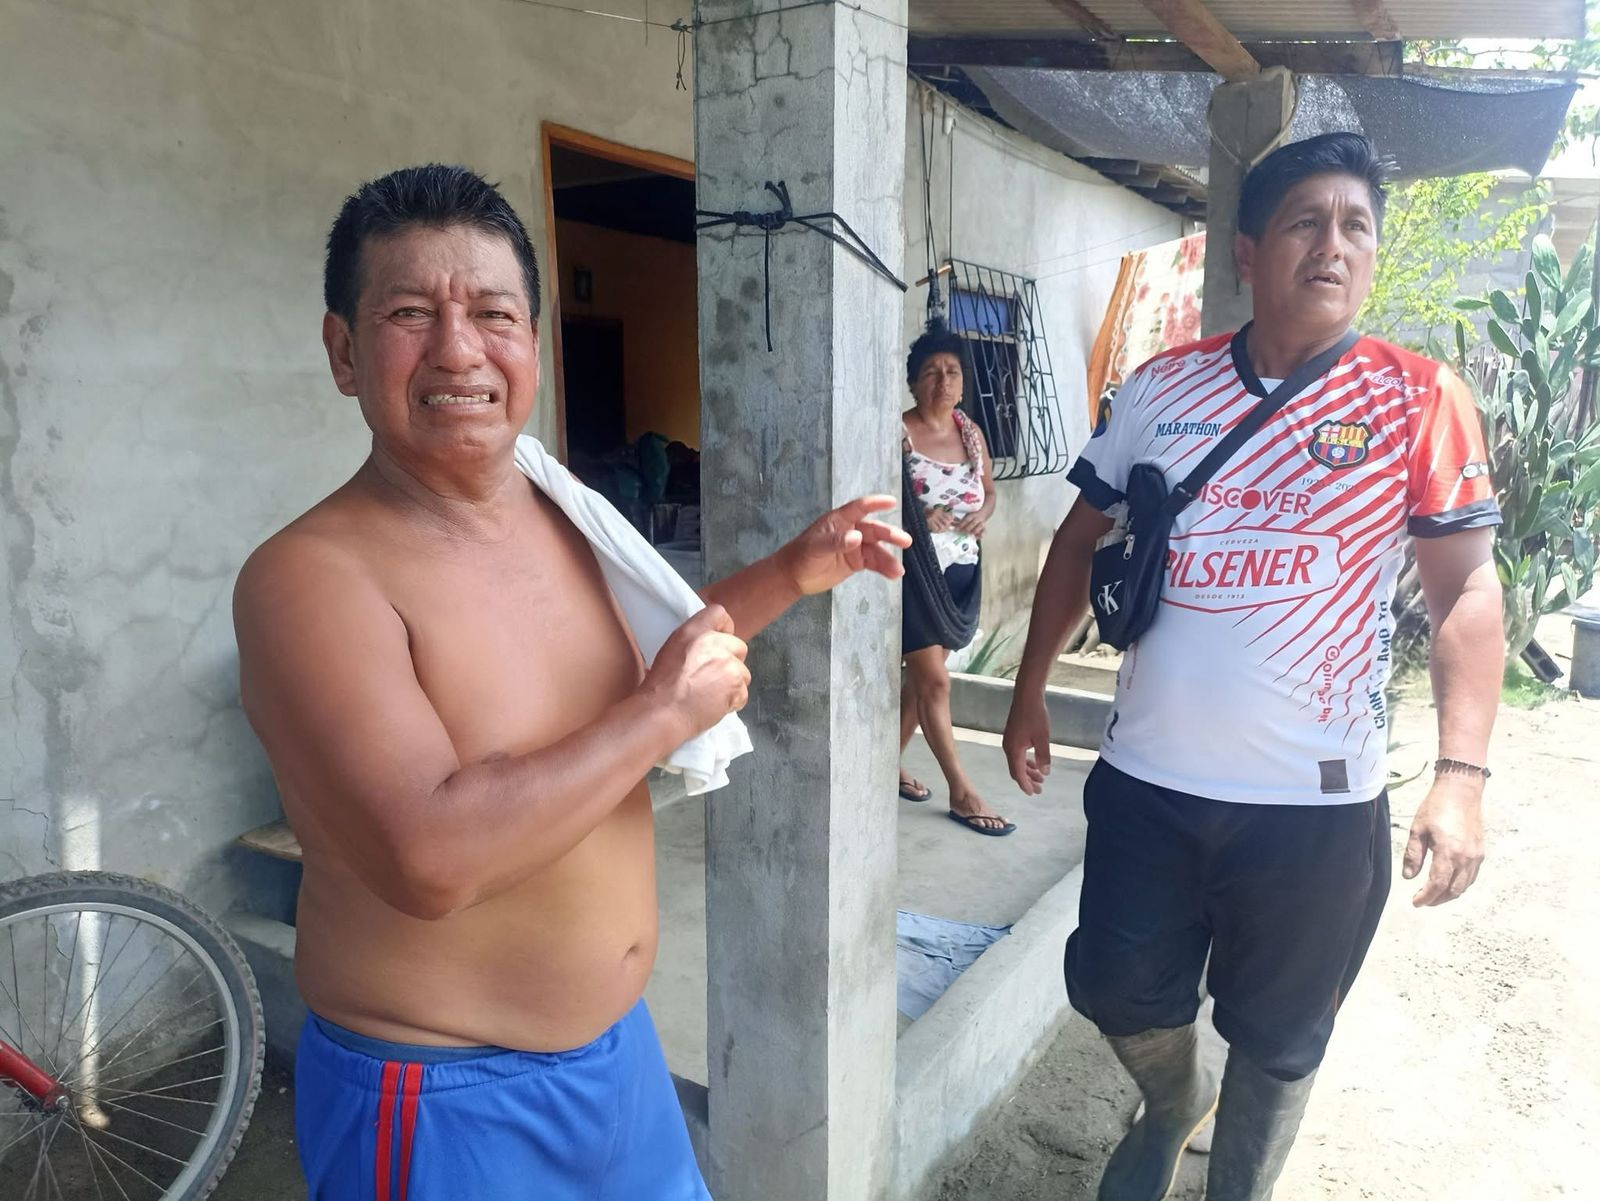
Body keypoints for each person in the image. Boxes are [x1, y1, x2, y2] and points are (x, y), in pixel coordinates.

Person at [232, 164, 909, 1200]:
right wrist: (661, 713)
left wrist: (790, 572)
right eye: (410, 314)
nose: (458, 349)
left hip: (620, 1063)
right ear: (344, 352)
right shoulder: (310, 577)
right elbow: (431, 857)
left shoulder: (554, 502)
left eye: (492, 313)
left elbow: (649, 665)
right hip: (444, 1098)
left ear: (533, 344)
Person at [1002, 133, 1503, 1200]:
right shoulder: (1161, 388)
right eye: (1305, 222)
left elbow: (1465, 590)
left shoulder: (1418, 397)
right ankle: (1172, 1100)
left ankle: (1239, 1186)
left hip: (1314, 807)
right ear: (1248, 249)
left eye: (1355, 226)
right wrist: (1029, 688)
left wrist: (1460, 777)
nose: (1334, 245)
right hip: (1149, 783)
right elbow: (1078, 541)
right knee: (1114, 986)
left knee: (1279, 1036)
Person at [897, 321, 1014, 836]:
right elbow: (875, 498)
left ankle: (885, 763)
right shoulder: (897, 434)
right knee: (935, 682)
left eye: (952, 371)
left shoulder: (971, 433)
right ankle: (962, 792)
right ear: (913, 383)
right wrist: (919, 515)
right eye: (930, 372)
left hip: (962, 573)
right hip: (914, 574)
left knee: (920, 683)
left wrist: (983, 514)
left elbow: (990, 491)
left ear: (963, 382)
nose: (942, 381)